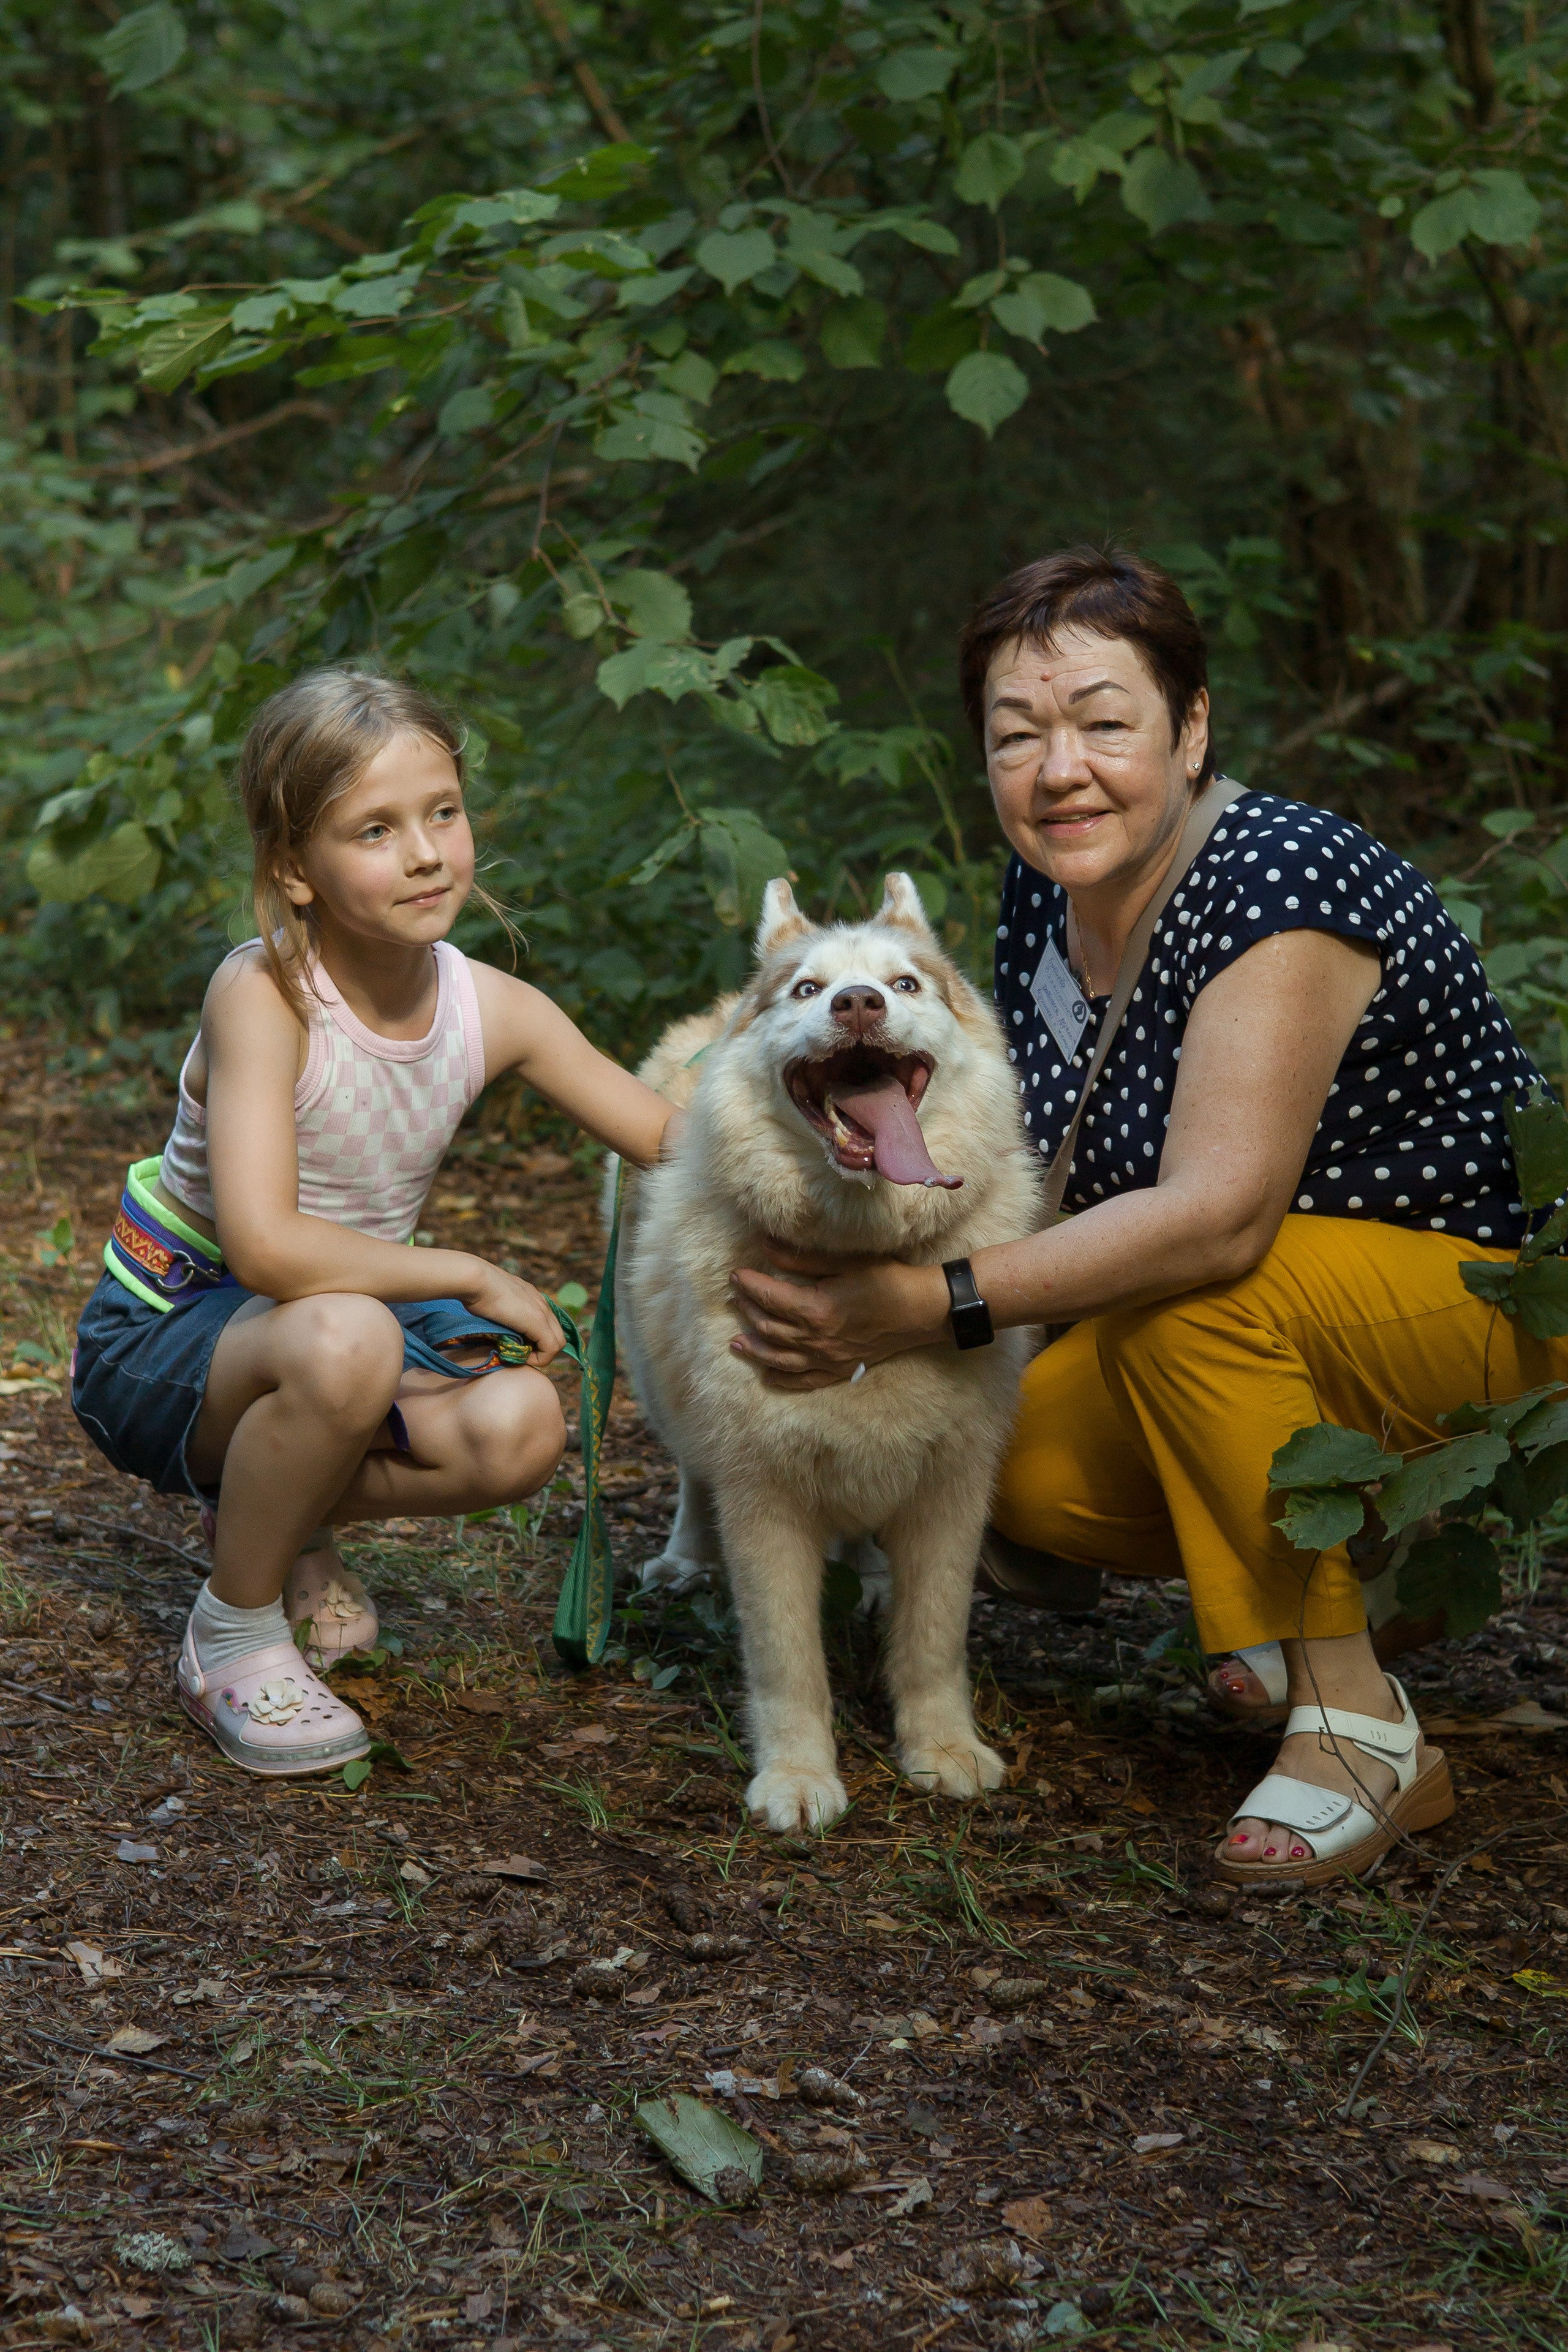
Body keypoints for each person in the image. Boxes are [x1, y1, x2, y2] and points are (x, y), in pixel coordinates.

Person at [723, 546, 1564, 1887]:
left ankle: (1354, 1723)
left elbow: (1215, 1218)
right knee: (1020, 1470)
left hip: (1489, 1306)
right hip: (1287, 1319)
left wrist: (929, 1303)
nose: (1059, 769)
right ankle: (1327, 1585)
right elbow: (1058, 1158)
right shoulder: (1047, 892)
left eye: (1103, 723)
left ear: (1189, 729)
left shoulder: (1274, 881)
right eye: (1017, 735)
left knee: (1191, 1299)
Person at [72, 669, 674, 1777]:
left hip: (335, 1327)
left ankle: (279, 1507)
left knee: (520, 1429)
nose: (427, 853)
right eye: (376, 830)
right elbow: (265, 1248)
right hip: (175, 1330)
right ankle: (234, 1632)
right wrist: (475, 1272)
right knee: (348, 1335)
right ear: (293, 870)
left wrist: (839, 1124)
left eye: (444, 813)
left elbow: (671, 1140)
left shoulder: (494, 1009)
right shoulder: (266, 996)